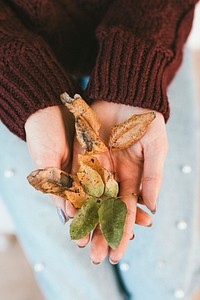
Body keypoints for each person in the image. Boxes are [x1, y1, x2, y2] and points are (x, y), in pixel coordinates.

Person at [0, 1, 200, 299]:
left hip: (145, 49)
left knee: (164, 281)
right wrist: (22, 80)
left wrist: (135, 67)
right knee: (80, 290)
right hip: (15, 75)